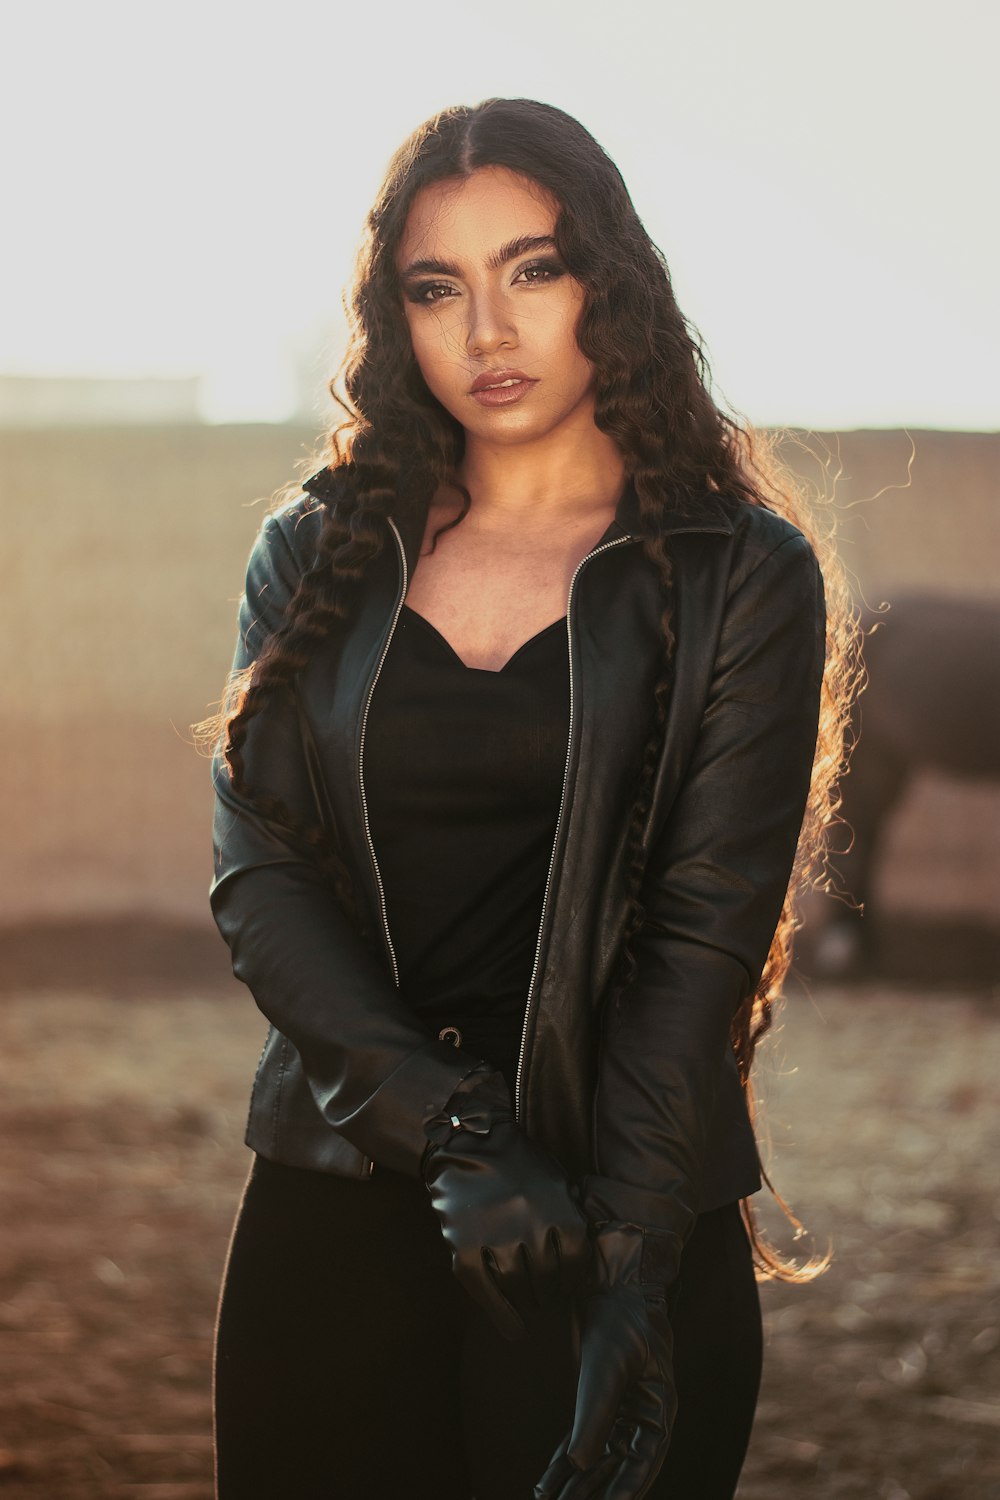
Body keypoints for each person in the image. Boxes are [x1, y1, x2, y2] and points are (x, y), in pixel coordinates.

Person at [204, 98, 858, 1500]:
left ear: (606, 285)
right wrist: (457, 1137)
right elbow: (262, 879)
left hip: (619, 1209)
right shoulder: (317, 551)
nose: (486, 332)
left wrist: (627, 1265)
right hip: (335, 1203)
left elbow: (705, 930)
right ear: (396, 316)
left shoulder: (740, 572)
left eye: (533, 270)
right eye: (437, 288)